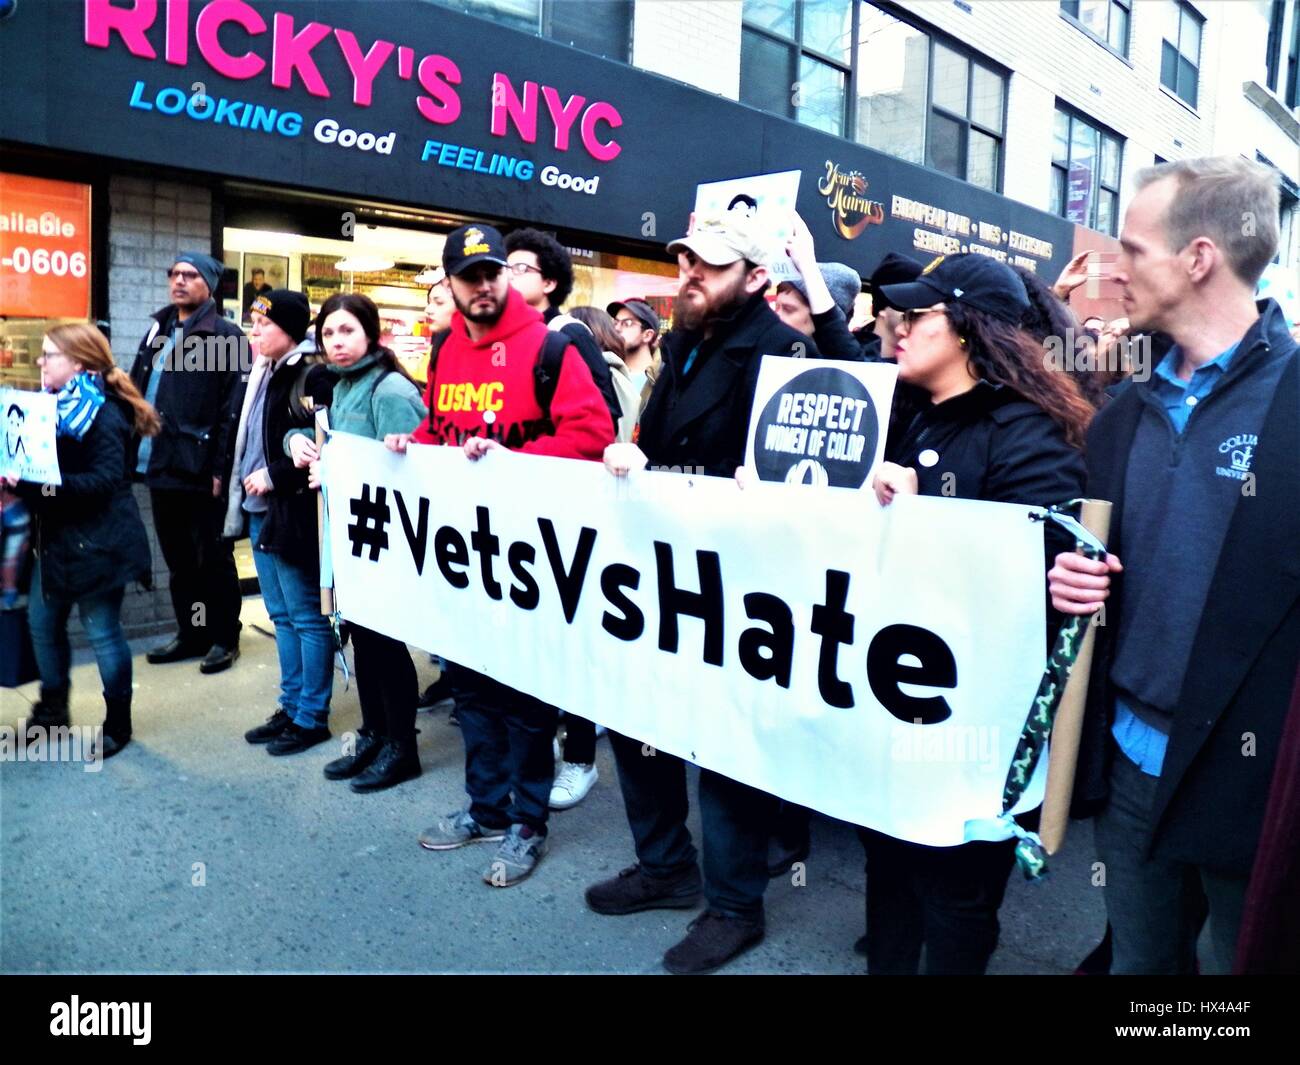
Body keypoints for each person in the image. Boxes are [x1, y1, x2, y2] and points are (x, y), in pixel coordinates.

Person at [1049, 156, 1300, 976]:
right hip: (1128, 762)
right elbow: (1095, 568)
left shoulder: (1294, 402)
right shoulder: (1123, 412)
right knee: (1141, 968)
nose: (1113, 269)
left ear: (1198, 258)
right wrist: (1069, 581)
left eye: (1132, 248)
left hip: (1254, 780)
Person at [590, 212, 819, 975]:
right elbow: (659, 439)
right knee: (636, 718)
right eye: (685, 260)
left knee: (724, 745)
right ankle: (664, 865)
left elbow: (803, 489)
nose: (688, 274)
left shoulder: (788, 353)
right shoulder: (686, 340)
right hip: (659, 572)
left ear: (757, 278)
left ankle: (734, 906)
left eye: (709, 266)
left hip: (740, 588)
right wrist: (633, 451)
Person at [863, 253, 1092, 975]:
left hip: (977, 728)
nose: (898, 327)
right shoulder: (909, 416)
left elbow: (1040, 577)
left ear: (966, 328)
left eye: (919, 315)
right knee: (889, 861)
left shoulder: (1027, 432)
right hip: (896, 696)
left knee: (957, 895)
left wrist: (926, 511)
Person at [387, 222, 614, 886]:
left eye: (493, 273)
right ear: (450, 282)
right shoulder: (446, 347)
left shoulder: (550, 344)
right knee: (472, 687)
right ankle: (485, 808)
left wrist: (514, 463)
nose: (484, 286)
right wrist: (414, 441)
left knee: (525, 695)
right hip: (467, 554)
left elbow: (594, 434)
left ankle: (527, 821)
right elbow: (444, 426)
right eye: (470, 276)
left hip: (531, 555)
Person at [290, 293, 427, 783]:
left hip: (386, 542)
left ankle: (401, 747)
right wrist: (300, 447)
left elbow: (417, 478)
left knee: (386, 645)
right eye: (328, 333)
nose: (336, 342)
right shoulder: (340, 387)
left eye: (347, 330)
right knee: (363, 640)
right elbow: (316, 436)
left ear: (371, 333)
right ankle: (373, 733)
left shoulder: (388, 391)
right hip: (352, 539)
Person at [7, 324, 160, 758]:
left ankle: (118, 724)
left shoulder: (103, 412)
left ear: (78, 363)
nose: (40, 362)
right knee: (42, 624)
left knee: (103, 633)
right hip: (57, 543)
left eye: (50, 355)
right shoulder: (50, 407)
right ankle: (53, 712)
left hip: (98, 545)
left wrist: (36, 487)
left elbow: (106, 480)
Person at [223, 290, 340, 763]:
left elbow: (325, 448)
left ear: (289, 329)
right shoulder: (262, 372)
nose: (255, 330)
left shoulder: (311, 374)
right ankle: (291, 707)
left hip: (290, 512)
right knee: (282, 617)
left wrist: (275, 474)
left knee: (307, 617)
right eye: (253, 321)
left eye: (264, 323)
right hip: (259, 510)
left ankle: (312, 716)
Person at [131, 251, 246, 675]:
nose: (179, 281)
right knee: (179, 561)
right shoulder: (158, 328)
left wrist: (220, 469)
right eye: (174, 273)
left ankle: (223, 637)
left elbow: (231, 412)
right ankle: (192, 631)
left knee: (212, 558)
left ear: (209, 285)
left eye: (191, 275)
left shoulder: (226, 337)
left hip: (199, 470)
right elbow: (137, 386)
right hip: (158, 464)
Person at [504, 226, 623, 437]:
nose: (509, 276)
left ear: (549, 283)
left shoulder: (570, 332)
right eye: (506, 268)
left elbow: (605, 413)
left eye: (520, 268)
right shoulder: (510, 334)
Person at [774, 213, 865, 361]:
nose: (776, 317)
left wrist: (807, 265)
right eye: (776, 307)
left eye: (789, 309)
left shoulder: (844, 368)